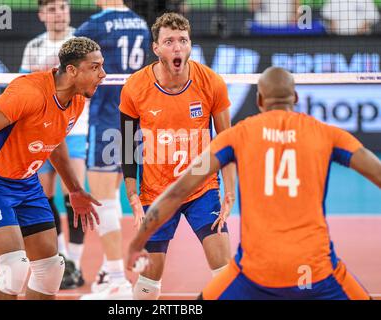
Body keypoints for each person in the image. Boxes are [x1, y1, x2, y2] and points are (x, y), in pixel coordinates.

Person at [127, 66, 381, 300]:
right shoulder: (328, 134)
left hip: (254, 275)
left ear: (259, 101)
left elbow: (177, 191)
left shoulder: (238, 136)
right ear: (296, 97)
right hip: (318, 273)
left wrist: (137, 243)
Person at [0, 37, 104, 300]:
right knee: (13, 270)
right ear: (73, 71)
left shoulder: (75, 100)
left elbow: (55, 141)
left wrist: (75, 189)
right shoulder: (29, 92)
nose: (103, 74)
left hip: (27, 183)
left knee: (52, 270)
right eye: (96, 67)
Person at [120, 12, 235, 300]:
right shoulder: (135, 86)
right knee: (149, 279)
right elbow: (125, 143)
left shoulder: (211, 82)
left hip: (202, 189)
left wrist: (230, 190)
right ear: (156, 48)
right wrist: (132, 196)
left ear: (190, 45)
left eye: (183, 40)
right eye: (169, 41)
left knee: (225, 269)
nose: (177, 48)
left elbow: (226, 140)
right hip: (155, 193)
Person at [74, 0, 150, 300]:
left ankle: (118, 280)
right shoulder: (142, 24)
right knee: (116, 197)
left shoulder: (93, 26)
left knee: (103, 200)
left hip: (106, 119)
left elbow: (71, 65)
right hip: (135, 120)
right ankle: (110, 271)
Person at [20, 0, 87, 289]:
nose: (59, 13)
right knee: (43, 199)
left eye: (63, 7)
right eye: (52, 9)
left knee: (76, 196)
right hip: (40, 134)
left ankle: (77, 263)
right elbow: (24, 87)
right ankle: (60, 258)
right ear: (41, 14)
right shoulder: (34, 47)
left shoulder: (80, 43)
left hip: (74, 131)